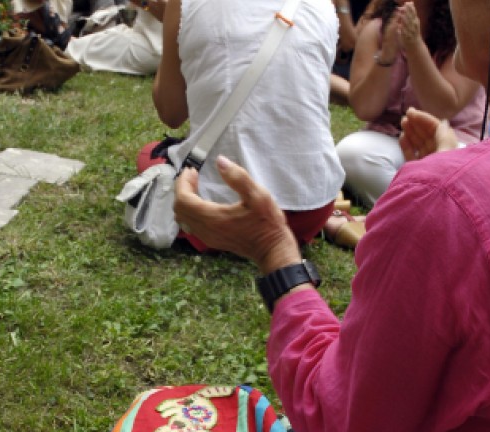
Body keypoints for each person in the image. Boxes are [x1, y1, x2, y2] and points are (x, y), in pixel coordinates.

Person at [173, 0, 490, 432]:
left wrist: (275, 253)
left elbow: (342, 424)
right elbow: (365, 103)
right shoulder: (449, 197)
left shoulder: (449, 202)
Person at [147, 0, 344, 252]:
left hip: (222, 209)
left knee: (150, 155)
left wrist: (172, 31)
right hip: (310, 211)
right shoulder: (324, 4)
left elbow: (171, 112)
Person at [336, 0, 484, 209]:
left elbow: (443, 108)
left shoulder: (467, 35)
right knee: (350, 153)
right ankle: (424, 211)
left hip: (450, 143)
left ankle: (423, 210)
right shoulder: (377, 28)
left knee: (456, 171)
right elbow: (365, 109)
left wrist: (415, 47)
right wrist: (387, 55)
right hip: (391, 140)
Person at [64, 0, 163, 76]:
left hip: (151, 46)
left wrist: (142, 2)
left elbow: (164, 12)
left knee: (69, 51)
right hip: (142, 36)